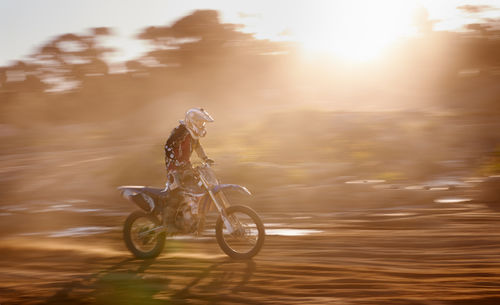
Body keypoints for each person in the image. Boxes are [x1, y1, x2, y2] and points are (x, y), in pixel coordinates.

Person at [163, 108, 214, 232]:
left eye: (203, 123)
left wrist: (205, 159)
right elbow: (168, 147)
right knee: (177, 192)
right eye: (200, 122)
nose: (202, 125)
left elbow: (197, 146)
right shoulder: (180, 132)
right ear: (193, 121)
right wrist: (175, 162)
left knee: (196, 189)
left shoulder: (192, 134)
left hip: (186, 167)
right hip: (174, 169)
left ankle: (192, 217)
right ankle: (168, 223)